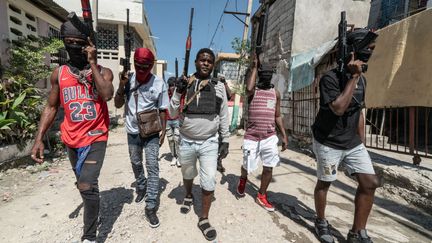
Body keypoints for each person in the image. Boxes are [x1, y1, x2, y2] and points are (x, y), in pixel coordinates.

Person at [31, 20, 114, 243]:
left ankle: (89, 236)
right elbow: (51, 106)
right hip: (71, 139)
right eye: (70, 43)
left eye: (80, 44)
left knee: (86, 184)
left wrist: (93, 63)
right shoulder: (59, 73)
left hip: (96, 136)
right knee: (83, 186)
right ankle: (93, 205)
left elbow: (106, 94)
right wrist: (39, 138)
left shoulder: (103, 71)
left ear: (88, 44)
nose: (74, 48)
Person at [311, 28, 379, 243]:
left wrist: (362, 144)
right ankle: (321, 221)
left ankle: (357, 232)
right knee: (325, 182)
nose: (370, 52)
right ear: (352, 51)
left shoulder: (363, 82)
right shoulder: (329, 78)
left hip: (352, 143)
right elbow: (339, 108)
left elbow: (358, 112)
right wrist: (354, 77)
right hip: (328, 142)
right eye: (367, 48)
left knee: (370, 183)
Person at [169, 48, 229, 241]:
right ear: (195, 62)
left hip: (209, 142)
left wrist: (225, 139)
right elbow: (171, 113)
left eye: (209, 61)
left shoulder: (219, 86)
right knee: (187, 174)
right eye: (202, 60)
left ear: (213, 65)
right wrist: (178, 91)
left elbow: (223, 115)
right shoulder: (185, 83)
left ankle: (203, 218)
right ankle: (188, 194)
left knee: (209, 179)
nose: (205, 63)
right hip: (186, 139)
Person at [114, 48, 168, 228]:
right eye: (138, 66)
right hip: (132, 130)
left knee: (152, 166)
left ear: (151, 65)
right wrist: (122, 85)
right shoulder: (128, 79)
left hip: (151, 131)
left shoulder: (159, 83)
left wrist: (164, 131)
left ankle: (151, 206)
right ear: (134, 64)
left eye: (145, 66)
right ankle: (141, 185)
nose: (142, 69)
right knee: (136, 163)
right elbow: (117, 103)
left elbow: (162, 109)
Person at [236, 55, 288, 212]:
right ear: (259, 74)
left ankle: (262, 195)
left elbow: (277, 115)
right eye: (262, 72)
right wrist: (253, 67)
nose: (266, 75)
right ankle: (243, 178)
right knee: (247, 165)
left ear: (271, 74)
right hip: (252, 136)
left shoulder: (275, 93)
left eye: (268, 73)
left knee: (269, 166)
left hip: (269, 136)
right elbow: (249, 88)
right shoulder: (254, 91)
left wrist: (283, 135)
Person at [216, 76, 232, 173]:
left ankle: (219, 161)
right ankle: (216, 161)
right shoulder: (215, 87)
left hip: (223, 120)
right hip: (214, 120)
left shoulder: (223, 87)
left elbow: (230, 95)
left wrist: (225, 83)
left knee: (222, 143)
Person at [166, 76, 181, 167]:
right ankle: (174, 156)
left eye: (174, 85)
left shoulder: (179, 94)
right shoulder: (165, 95)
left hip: (177, 119)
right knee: (170, 139)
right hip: (167, 120)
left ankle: (179, 157)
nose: (172, 87)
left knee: (177, 139)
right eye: (171, 85)